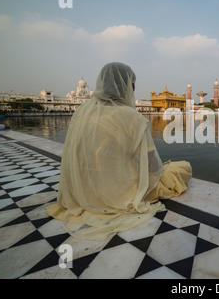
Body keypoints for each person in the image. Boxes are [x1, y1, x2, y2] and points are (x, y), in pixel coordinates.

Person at [46, 62, 192, 240]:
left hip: (86, 188)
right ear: (127, 86)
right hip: (122, 190)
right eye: (132, 84)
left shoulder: (82, 111)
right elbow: (153, 168)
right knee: (182, 168)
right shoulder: (132, 117)